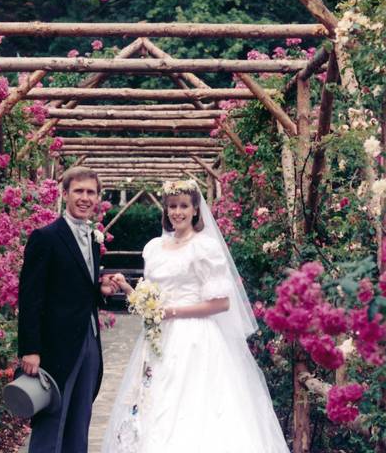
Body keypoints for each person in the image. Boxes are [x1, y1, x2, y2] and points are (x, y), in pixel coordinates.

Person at [102, 179, 290, 453]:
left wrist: (172, 312)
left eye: (183, 206)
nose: (177, 212)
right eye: (172, 207)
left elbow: (221, 303)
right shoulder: (154, 247)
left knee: (194, 406)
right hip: (158, 339)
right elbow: (151, 300)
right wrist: (128, 287)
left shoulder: (204, 248)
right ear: (166, 211)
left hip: (195, 339)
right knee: (155, 403)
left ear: (194, 210)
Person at [18, 166, 118, 453]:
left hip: (89, 341)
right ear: (65, 194)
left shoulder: (91, 236)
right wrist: (30, 349)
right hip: (54, 346)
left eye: (90, 192)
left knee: (79, 422)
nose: (85, 198)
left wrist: (99, 288)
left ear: (98, 197)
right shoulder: (45, 237)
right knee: (52, 423)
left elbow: (73, 285)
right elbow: (30, 297)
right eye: (78, 191)